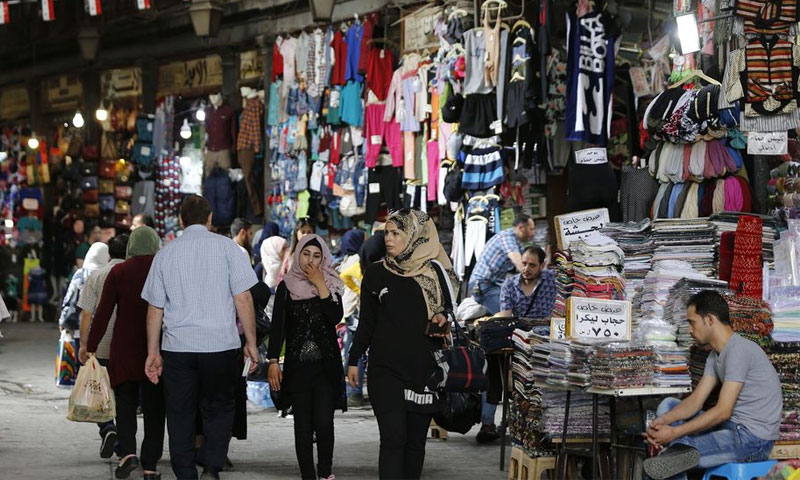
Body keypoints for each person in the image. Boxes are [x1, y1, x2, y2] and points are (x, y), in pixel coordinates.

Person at [141, 195, 259, 480]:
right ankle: (211, 466)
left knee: (180, 412)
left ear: (181, 220)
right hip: (220, 346)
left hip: (178, 348)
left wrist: (153, 352)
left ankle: (185, 472)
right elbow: (243, 298)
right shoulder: (228, 249)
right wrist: (251, 344)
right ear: (210, 219)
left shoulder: (165, 254)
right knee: (219, 407)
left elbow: (154, 309)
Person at [347, 209, 459, 480]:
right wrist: (353, 359)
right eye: (387, 232)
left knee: (414, 443)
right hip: (385, 370)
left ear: (415, 235)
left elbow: (449, 312)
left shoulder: (436, 273)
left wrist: (443, 316)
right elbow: (367, 323)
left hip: (425, 371)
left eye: (396, 233)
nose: (389, 238)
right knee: (393, 438)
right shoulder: (375, 273)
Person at [643, 290, 781, 480]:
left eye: (692, 322)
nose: (690, 330)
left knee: (662, 466)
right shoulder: (715, 355)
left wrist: (674, 432)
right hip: (731, 427)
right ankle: (677, 450)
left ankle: (676, 450)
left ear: (709, 319)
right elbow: (696, 401)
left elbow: (723, 411)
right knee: (668, 405)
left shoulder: (739, 350)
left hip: (752, 441)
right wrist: (662, 423)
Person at [86, 226, 165, 480]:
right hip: (157, 348)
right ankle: (151, 466)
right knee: (154, 408)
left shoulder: (119, 271)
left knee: (126, 404)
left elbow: (103, 312)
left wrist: (91, 346)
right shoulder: (162, 268)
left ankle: (128, 454)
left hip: (124, 349)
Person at [267, 234, 345, 480]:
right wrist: (272, 362)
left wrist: (320, 282)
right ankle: (308, 476)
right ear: (298, 255)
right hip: (297, 367)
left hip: (326, 367)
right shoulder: (287, 286)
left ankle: (325, 474)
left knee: (324, 423)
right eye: (306, 254)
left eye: (317, 255)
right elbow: (278, 327)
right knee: (302, 427)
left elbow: (335, 317)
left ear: (324, 258)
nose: (311, 260)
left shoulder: (331, 282)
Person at [473, 246, 558, 444]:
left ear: (542, 266)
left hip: (542, 340)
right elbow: (506, 316)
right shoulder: (510, 284)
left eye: (532, 265)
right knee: (493, 363)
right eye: (524, 263)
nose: (526, 268)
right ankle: (488, 422)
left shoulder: (551, 281)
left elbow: (552, 317)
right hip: (517, 337)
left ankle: (525, 419)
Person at [77, 234, 129, 460]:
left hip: (100, 346)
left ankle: (108, 428)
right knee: (125, 397)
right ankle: (126, 447)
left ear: (109, 254)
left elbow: (86, 313)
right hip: (125, 345)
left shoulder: (96, 276)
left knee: (99, 392)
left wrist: (84, 344)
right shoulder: (134, 275)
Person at [339, 230, 383, 407]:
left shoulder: (360, 262)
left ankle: (355, 393)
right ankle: (358, 392)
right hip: (365, 315)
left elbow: (345, 276)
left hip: (357, 314)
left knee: (356, 348)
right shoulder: (383, 265)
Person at [469, 214, 536, 315]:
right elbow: (519, 262)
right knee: (506, 315)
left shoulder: (518, 243)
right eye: (531, 229)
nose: (533, 233)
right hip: (482, 285)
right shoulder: (506, 237)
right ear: (521, 228)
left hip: (494, 285)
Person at [59, 242, 110, 351]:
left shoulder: (80, 273)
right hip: (103, 331)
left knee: (81, 364)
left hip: (80, 328)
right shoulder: (108, 274)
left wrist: (62, 320)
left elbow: (69, 298)